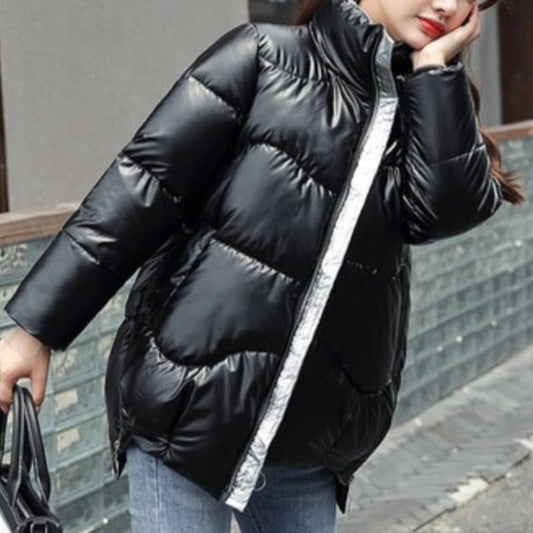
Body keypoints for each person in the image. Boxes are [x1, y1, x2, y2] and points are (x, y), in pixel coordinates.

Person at [0, 0, 523, 531]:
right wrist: (35, 331)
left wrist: (435, 71)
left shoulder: (423, 109)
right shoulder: (263, 58)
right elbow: (141, 189)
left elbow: (445, 210)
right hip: (188, 414)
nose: (447, 4)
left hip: (310, 441)